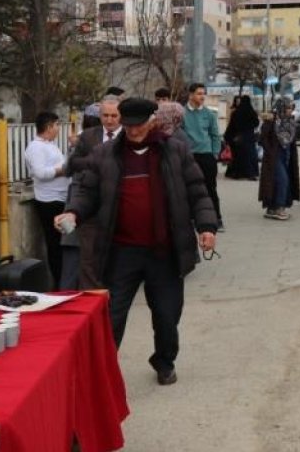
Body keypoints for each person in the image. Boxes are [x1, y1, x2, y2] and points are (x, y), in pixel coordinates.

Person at [58, 98, 218, 386]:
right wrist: (74, 211)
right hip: (121, 251)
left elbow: (197, 190)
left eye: (139, 125)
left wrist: (207, 226)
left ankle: (164, 360)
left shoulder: (174, 150)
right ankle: (103, 370)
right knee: (112, 314)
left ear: (152, 121)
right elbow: (87, 191)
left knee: (167, 315)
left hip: (165, 251)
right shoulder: (105, 154)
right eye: (128, 125)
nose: (133, 131)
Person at [25, 111, 74, 289]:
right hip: (49, 201)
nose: (58, 129)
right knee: (55, 244)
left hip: (60, 198)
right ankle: (59, 282)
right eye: (56, 125)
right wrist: (62, 169)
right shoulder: (35, 148)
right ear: (48, 127)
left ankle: (64, 279)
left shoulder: (50, 145)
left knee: (62, 243)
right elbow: (40, 173)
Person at [183, 83, 224, 232]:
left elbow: (215, 135)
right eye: (199, 93)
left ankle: (217, 218)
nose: (202, 97)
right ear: (191, 95)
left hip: (207, 156)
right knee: (188, 189)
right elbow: (179, 135)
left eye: (203, 93)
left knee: (210, 188)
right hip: (189, 156)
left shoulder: (209, 114)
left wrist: (214, 153)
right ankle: (192, 218)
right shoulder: (182, 113)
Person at [67, 95, 122, 189]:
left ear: (121, 116)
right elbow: (73, 162)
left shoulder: (129, 136)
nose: (109, 120)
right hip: (92, 195)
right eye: (105, 115)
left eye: (114, 116)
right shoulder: (87, 135)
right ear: (100, 115)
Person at [258, 97, 300, 220]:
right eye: (287, 108)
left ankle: (271, 208)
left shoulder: (290, 121)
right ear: (281, 107)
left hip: (287, 155)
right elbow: (262, 138)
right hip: (274, 156)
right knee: (283, 180)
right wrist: (270, 151)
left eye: (291, 107)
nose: (290, 110)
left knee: (279, 181)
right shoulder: (271, 121)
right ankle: (279, 207)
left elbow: (292, 140)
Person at [224, 95, 260, 180]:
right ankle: (251, 174)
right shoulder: (252, 112)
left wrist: (228, 136)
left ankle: (238, 174)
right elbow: (256, 123)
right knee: (250, 156)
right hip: (249, 137)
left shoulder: (236, 113)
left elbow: (232, 126)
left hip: (239, 137)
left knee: (239, 156)